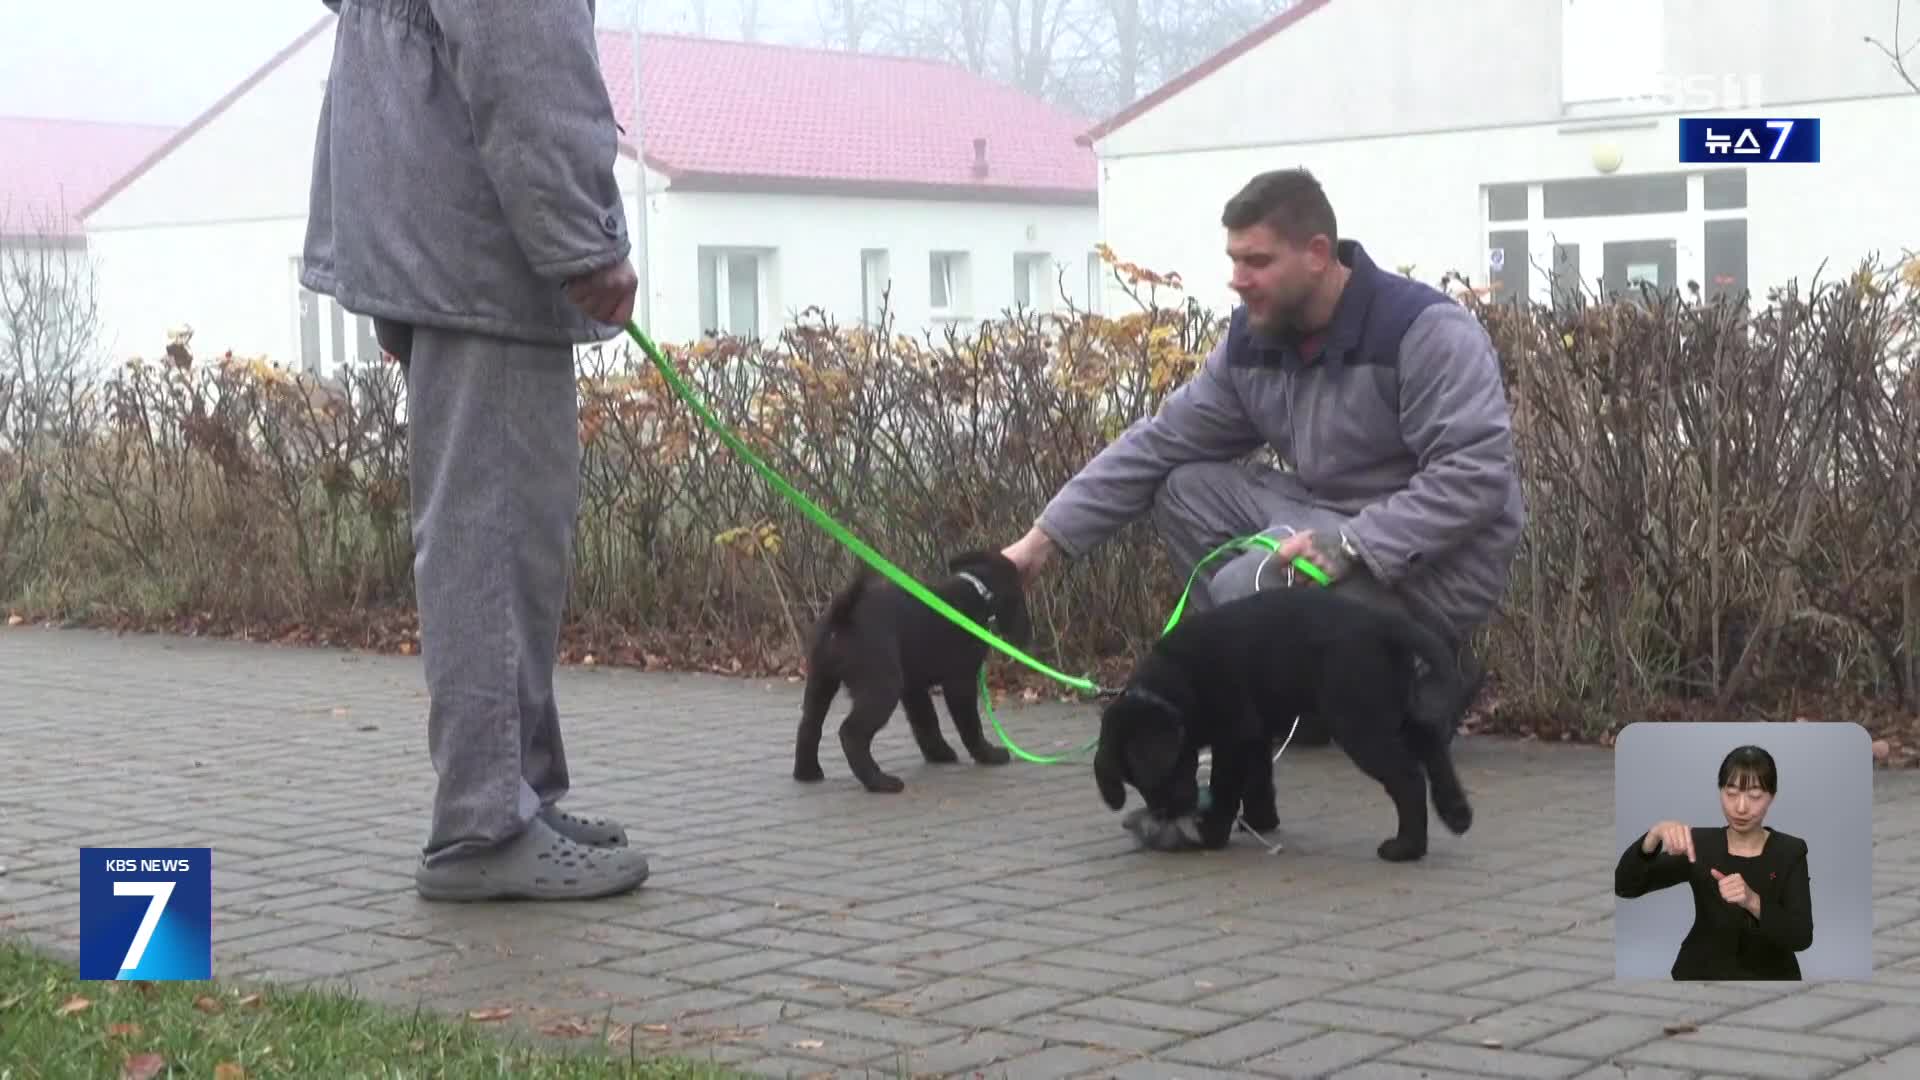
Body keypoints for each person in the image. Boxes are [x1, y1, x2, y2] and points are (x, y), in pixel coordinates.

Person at [300, 0, 651, 901]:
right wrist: (584, 234)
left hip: (429, 214)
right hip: (479, 239)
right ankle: (485, 823)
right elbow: (524, 45)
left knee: (495, 529)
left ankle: (514, 798)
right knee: (494, 535)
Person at [1001, 167, 1525, 741]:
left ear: (1317, 254)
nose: (1238, 279)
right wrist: (1039, 543)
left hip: (1435, 563)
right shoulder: (1254, 344)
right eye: (1233, 260)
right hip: (1329, 519)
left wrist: (1355, 544)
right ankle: (1297, 699)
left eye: (1257, 262)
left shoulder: (1422, 333)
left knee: (1242, 588)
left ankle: (1418, 673)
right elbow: (1158, 442)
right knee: (1185, 489)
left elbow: (1473, 477)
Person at [1614, 745, 1814, 980]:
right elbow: (1625, 887)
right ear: (1720, 791)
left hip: (1771, 976)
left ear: (1772, 796)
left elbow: (1801, 936)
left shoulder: (1790, 851)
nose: (1740, 807)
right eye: (1731, 793)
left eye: (1754, 796)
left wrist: (1753, 901)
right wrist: (1651, 839)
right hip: (1700, 973)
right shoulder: (1699, 845)